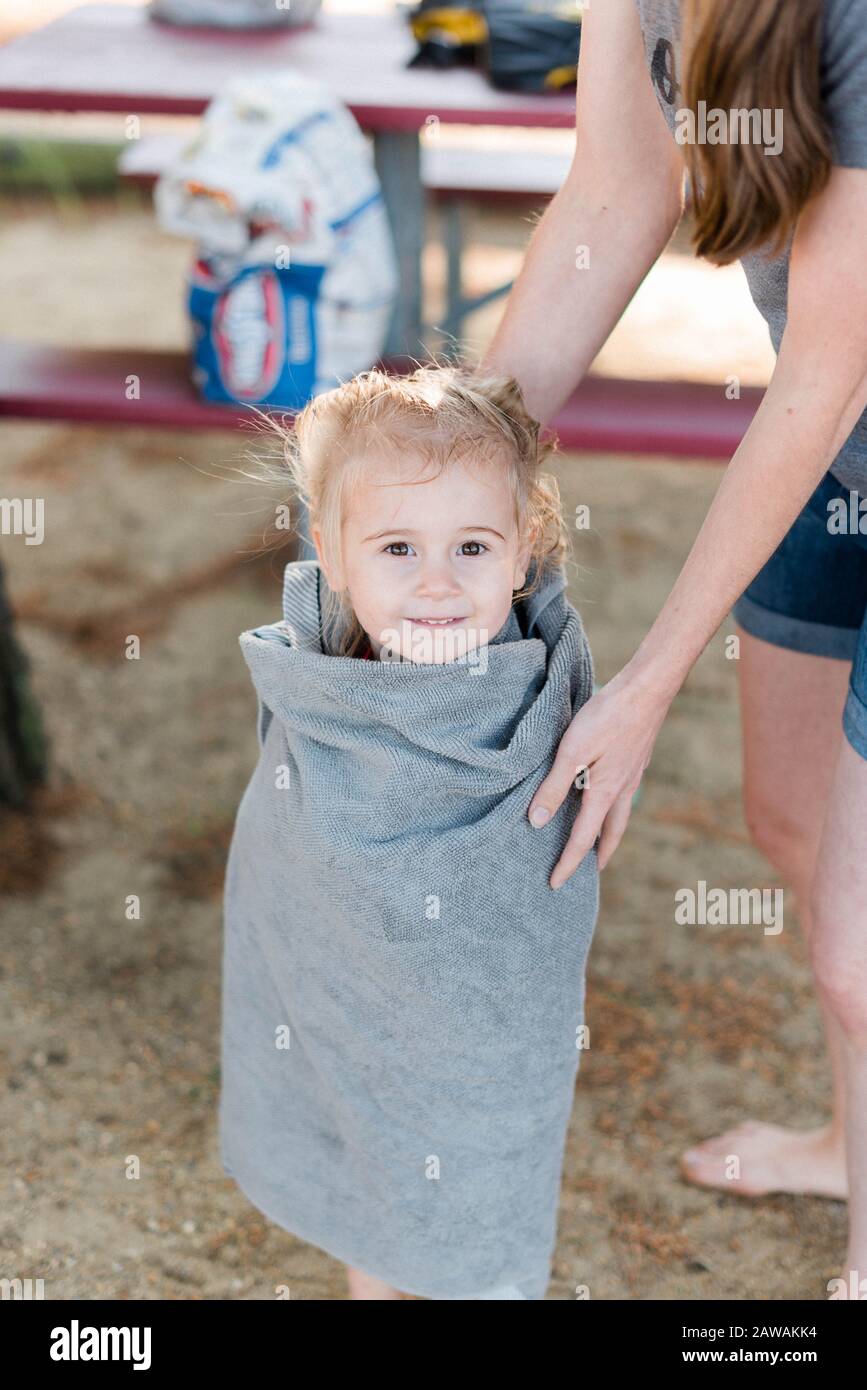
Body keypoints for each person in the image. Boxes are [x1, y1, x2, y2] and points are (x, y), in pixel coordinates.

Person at [480, 0, 867, 1292]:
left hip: (833, 403)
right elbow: (615, 186)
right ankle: (847, 1140)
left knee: (855, 933)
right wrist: (450, 465)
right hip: (839, 449)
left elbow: (824, 367)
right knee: (793, 823)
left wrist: (643, 685)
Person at [219, 365, 600, 1300]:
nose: (436, 583)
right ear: (333, 553)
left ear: (524, 556)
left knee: (475, 1146)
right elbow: (290, 877)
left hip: (482, 1042)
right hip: (347, 1016)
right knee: (360, 1122)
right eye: (396, 548)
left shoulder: (543, 702)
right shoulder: (318, 697)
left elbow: (535, 898)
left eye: (472, 546)